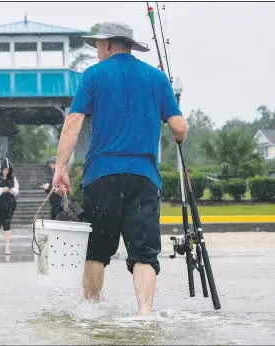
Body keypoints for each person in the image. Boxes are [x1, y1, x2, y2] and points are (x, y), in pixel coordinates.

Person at [52, 22, 188, 316]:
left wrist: (61, 167)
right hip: (144, 177)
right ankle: (144, 315)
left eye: (98, 46)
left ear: (109, 45)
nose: (97, 52)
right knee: (145, 253)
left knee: (96, 251)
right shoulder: (157, 77)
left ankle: (91, 311)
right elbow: (179, 127)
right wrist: (178, 130)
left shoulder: (93, 76)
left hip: (102, 176)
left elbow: (73, 121)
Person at [39, 156, 64, 220]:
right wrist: (46, 188)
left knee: (57, 214)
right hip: (53, 200)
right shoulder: (53, 172)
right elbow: (51, 189)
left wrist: (49, 187)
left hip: (58, 199)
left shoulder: (59, 173)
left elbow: (58, 186)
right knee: (53, 214)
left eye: (52, 163)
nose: (50, 165)